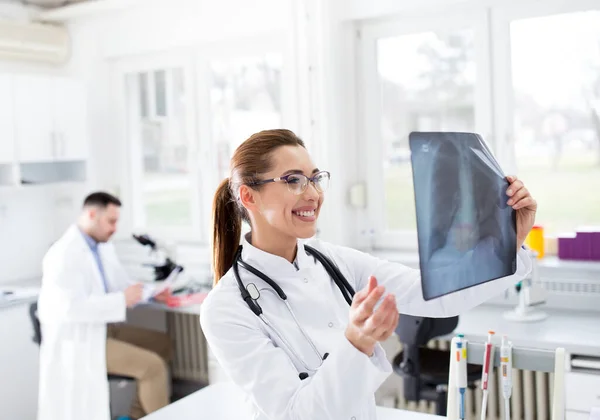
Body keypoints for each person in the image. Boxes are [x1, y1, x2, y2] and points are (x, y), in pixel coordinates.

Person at [200, 129, 537, 420]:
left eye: (315, 178)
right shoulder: (226, 308)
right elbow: (295, 413)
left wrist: (509, 241)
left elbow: (435, 293)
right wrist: (357, 343)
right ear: (249, 196)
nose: (313, 194)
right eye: (294, 180)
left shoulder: (332, 260)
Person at [37, 192, 173, 420]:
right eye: (111, 221)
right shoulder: (63, 254)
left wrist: (150, 293)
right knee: (153, 367)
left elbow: (119, 284)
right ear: (92, 214)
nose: (115, 228)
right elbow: (71, 309)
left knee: (164, 344)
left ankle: (135, 416)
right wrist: (121, 300)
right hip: (82, 340)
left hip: (105, 328)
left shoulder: (100, 247)